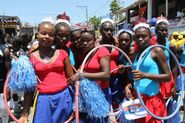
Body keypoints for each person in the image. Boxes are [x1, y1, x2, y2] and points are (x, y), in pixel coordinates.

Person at [19, 18, 74, 123]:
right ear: (37, 35)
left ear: (54, 38)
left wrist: (77, 104)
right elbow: (29, 88)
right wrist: (25, 113)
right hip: (43, 101)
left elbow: (72, 81)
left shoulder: (63, 54)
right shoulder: (30, 58)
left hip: (64, 98)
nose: (47, 37)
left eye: (50, 35)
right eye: (43, 33)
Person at [125, 23, 171, 123]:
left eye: (144, 36)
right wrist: (129, 85)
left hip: (153, 100)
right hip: (138, 100)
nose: (141, 39)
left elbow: (168, 76)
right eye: (138, 37)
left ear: (150, 36)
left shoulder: (156, 51)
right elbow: (137, 75)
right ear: (134, 39)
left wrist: (145, 75)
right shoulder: (137, 54)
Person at [68, 29, 111, 123]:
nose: (85, 43)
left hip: (101, 93)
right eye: (82, 41)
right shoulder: (87, 52)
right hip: (89, 93)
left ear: (95, 40)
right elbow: (84, 68)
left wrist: (82, 75)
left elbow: (106, 74)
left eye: (88, 40)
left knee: (100, 119)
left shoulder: (102, 51)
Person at [0, 28, 11, 123]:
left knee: (3, 108)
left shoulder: (4, 50)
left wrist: (7, 88)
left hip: (1, 86)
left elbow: (9, 70)